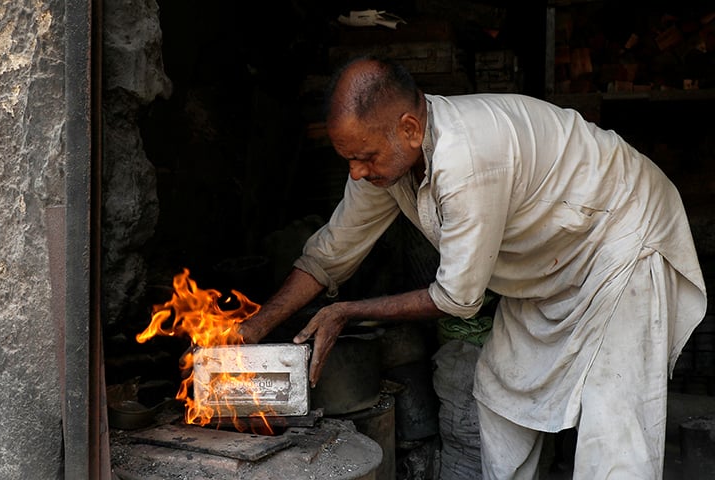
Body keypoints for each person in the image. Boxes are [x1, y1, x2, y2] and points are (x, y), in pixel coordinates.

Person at [238, 55, 707, 478]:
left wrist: (347, 311)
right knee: (502, 392)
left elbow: (458, 299)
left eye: (364, 157)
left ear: (408, 129)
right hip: (552, 265)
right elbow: (329, 256)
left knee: (614, 419)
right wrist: (253, 328)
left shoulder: (468, 159)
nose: (356, 172)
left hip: (622, 236)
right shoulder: (386, 161)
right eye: (348, 160)